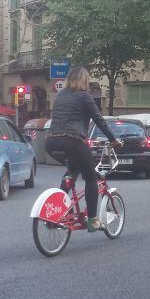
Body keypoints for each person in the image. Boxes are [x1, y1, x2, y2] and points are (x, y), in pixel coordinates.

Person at [45, 66, 122, 232]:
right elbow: (99, 121)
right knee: (90, 178)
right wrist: (113, 140)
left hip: (51, 142)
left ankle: (59, 210)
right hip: (73, 141)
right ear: (84, 80)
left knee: (71, 172)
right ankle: (93, 220)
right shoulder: (84, 97)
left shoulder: (59, 96)